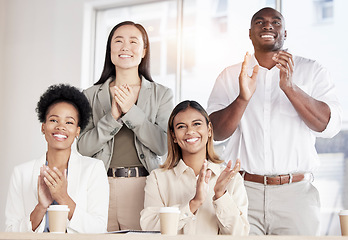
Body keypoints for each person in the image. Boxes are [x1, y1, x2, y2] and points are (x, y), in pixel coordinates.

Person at [207, 7, 342, 235]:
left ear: (285, 33)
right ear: (250, 33)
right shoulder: (230, 76)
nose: (268, 26)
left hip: (296, 195)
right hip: (242, 190)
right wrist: (242, 98)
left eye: (275, 22)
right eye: (260, 22)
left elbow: (328, 126)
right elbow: (216, 133)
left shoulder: (312, 70)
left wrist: (290, 87)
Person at [77, 21, 174, 231]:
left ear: (144, 50)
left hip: (142, 186)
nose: (125, 47)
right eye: (118, 41)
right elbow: (83, 148)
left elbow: (162, 146)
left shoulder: (162, 94)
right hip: (99, 185)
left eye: (133, 41)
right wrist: (112, 117)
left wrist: (131, 111)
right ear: (110, 49)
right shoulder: (90, 95)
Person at [5, 84, 109, 233]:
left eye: (69, 122)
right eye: (54, 120)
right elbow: (10, 232)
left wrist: (62, 197)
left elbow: (99, 229)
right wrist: (41, 207)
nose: (61, 127)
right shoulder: (21, 173)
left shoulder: (93, 169)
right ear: (43, 126)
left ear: (77, 131)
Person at [140, 100, 249, 235]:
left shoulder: (231, 179)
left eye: (197, 124)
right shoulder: (157, 178)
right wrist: (193, 204)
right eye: (181, 126)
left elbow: (240, 234)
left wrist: (221, 196)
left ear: (209, 130)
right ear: (174, 136)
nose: (190, 131)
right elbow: (150, 228)